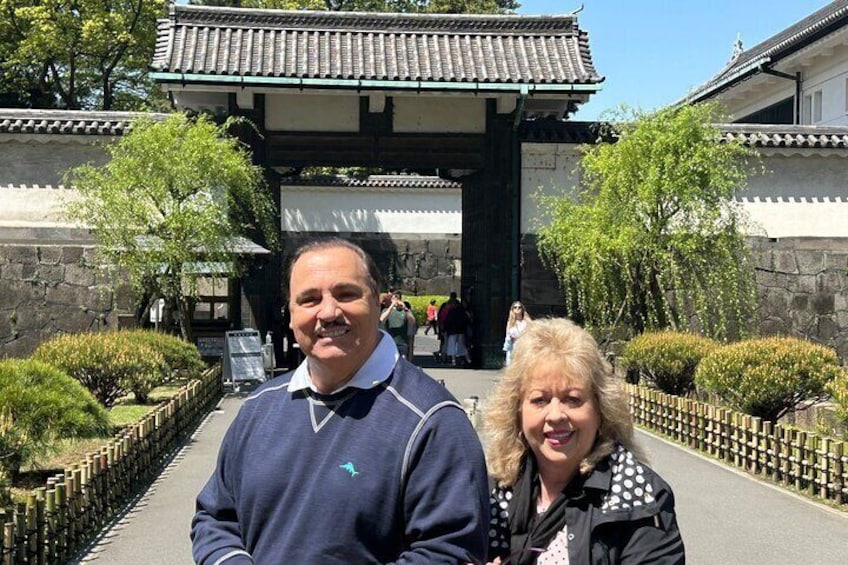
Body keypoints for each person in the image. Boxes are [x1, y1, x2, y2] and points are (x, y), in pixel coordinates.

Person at [191, 238, 490, 564]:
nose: (329, 312)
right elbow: (216, 516)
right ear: (291, 315)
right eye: (309, 299)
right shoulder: (259, 408)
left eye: (347, 294)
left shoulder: (432, 421)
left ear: (378, 302)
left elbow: (449, 552)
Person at [484, 318, 685, 565]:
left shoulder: (640, 496)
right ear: (517, 413)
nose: (556, 415)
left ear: (601, 410)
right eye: (540, 400)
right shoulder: (491, 494)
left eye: (573, 399)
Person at [380, 291, 409, 357]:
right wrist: (392, 305)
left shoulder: (404, 311)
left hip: (402, 344)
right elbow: (382, 319)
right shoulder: (385, 310)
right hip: (388, 344)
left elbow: (412, 323)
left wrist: (405, 308)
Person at [503, 301, 531, 366]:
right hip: (513, 348)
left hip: (524, 347)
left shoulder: (527, 322)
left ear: (522, 309)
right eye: (515, 307)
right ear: (512, 310)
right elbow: (507, 336)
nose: (517, 309)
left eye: (519, 307)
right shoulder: (510, 323)